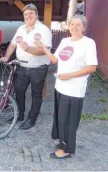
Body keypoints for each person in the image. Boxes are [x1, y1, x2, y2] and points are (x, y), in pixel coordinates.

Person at [37, 14, 97, 159]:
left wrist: (70, 75)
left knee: (69, 121)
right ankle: (62, 142)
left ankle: (67, 150)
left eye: (78, 24)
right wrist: (44, 48)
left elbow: (92, 67)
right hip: (60, 87)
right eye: (72, 24)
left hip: (74, 90)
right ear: (68, 26)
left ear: (84, 27)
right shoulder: (64, 41)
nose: (75, 27)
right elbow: (54, 60)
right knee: (60, 118)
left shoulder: (88, 43)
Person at [0, 3, 52, 130]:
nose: (28, 16)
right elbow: (12, 45)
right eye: (26, 14)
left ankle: (31, 119)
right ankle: (19, 115)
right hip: (22, 67)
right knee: (19, 92)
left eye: (31, 13)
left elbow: (43, 50)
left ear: (36, 15)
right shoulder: (21, 29)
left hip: (38, 68)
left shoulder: (44, 30)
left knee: (36, 94)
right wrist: (7, 57)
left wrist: (28, 49)